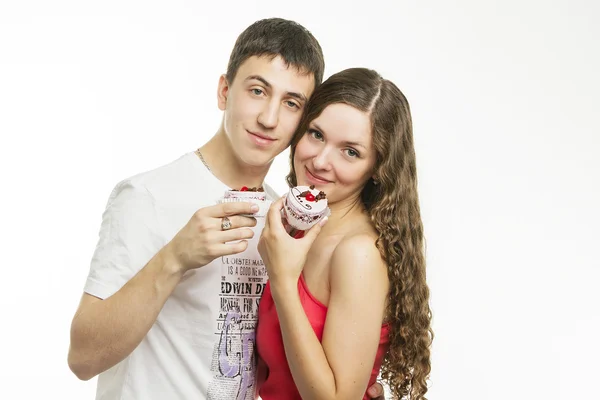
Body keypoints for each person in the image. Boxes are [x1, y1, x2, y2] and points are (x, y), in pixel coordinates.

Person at [67, 18, 386, 400]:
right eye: (256, 90)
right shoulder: (147, 196)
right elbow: (82, 359)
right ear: (224, 91)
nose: (269, 119)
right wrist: (174, 258)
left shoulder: (284, 221)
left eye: (291, 103)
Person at [256, 68, 434, 400]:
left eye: (350, 152)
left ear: (378, 168)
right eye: (316, 134)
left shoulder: (358, 253)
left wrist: (282, 282)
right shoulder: (297, 230)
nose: (320, 161)